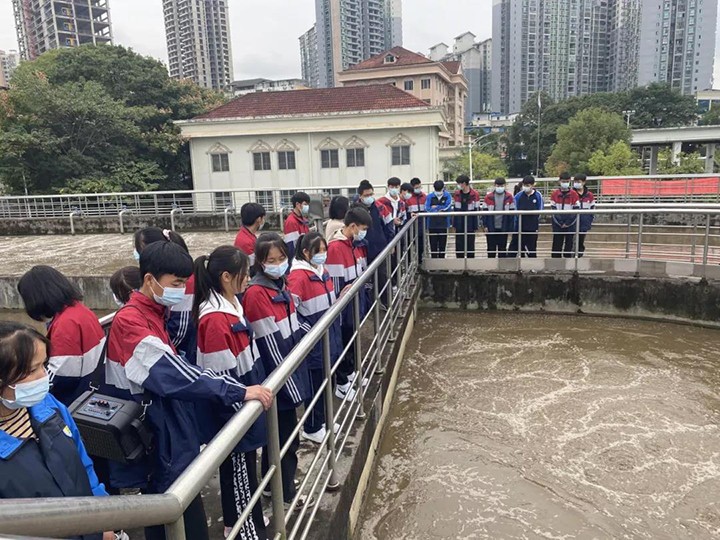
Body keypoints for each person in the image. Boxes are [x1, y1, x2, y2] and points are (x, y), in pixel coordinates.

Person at [105, 241, 270, 540]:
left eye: (184, 283)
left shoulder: (154, 314)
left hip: (168, 433)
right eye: (176, 283)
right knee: (178, 518)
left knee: (171, 513)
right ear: (149, 280)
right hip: (158, 438)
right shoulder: (131, 322)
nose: (181, 291)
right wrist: (237, 390)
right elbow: (174, 375)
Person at [0, 322, 114, 540]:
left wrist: (105, 515)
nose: (43, 376)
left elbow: (83, 462)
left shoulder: (49, 406)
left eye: (44, 365)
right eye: (31, 370)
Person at [193, 246, 272, 540]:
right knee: (238, 470)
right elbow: (219, 377)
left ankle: (243, 519)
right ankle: (242, 528)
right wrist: (238, 413)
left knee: (245, 469)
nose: (249, 278)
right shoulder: (214, 319)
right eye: (244, 274)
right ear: (226, 277)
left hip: (244, 396)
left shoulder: (231, 304)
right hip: (233, 409)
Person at [242, 233, 312, 508]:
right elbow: (270, 347)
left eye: (282, 258)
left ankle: (274, 488)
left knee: (281, 439)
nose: (278, 264)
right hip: (278, 381)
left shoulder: (280, 286)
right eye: (271, 260)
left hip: (291, 374)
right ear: (259, 262)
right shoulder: (258, 294)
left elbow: (294, 327)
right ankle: (285, 494)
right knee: (284, 441)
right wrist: (293, 390)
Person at [17, 266, 105, 407]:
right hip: (93, 385)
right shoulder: (79, 310)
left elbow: (61, 375)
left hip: (75, 397)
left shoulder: (65, 324)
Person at [287, 233, 343, 444]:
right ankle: (311, 426)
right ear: (305, 252)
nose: (323, 255)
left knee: (328, 382)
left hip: (329, 338)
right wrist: (309, 331)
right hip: (314, 343)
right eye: (318, 251)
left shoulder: (322, 271)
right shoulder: (298, 277)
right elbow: (290, 312)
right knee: (315, 387)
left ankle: (324, 420)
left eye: (324, 250)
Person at [326, 208, 372, 401]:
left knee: (353, 338)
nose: (364, 232)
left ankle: (352, 372)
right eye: (362, 228)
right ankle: (342, 382)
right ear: (352, 226)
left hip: (356, 299)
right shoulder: (336, 248)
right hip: (344, 306)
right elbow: (336, 285)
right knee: (342, 342)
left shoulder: (354, 244)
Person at [133, 227, 196, 365]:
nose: (181, 288)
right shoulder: (135, 314)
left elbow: (181, 326)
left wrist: (169, 351)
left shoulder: (180, 280)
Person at [355, 180, 392, 305]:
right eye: (366, 195)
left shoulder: (381, 207)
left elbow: (389, 225)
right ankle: (368, 305)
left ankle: (386, 302)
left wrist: (390, 243)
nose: (369, 197)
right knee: (365, 279)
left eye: (371, 194)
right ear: (360, 196)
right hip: (363, 249)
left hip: (380, 247)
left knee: (382, 276)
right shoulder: (356, 210)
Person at [511, 175, 544, 258]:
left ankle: (532, 267)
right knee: (515, 248)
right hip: (519, 227)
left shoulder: (538, 195)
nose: (526, 187)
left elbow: (540, 210)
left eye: (528, 185)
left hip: (532, 227)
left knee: (531, 249)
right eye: (524, 185)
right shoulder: (518, 196)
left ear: (533, 185)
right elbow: (514, 210)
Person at [482, 177, 516, 258]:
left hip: (504, 227)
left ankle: (501, 267)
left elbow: (512, 214)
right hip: (491, 227)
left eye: (501, 185)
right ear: (495, 185)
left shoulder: (509, 197)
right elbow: (484, 213)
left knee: (502, 249)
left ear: (505, 185)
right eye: (498, 185)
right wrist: (485, 226)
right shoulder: (488, 197)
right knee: (491, 249)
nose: (499, 187)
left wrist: (510, 228)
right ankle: (491, 267)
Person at [550, 172, 581, 258]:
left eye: (567, 181)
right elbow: (553, 210)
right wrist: (560, 222)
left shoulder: (574, 194)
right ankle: (555, 264)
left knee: (569, 244)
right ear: (559, 181)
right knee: (557, 244)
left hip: (570, 224)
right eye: (563, 181)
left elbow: (576, 211)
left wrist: (567, 223)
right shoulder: (554, 194)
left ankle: (568, 264)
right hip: (557, 224)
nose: (565, 183)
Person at [453, 175, 481, 259]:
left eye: (459, 183)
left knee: (470, 244)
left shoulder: (475, 194)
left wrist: (476, 225)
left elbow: (477, 210)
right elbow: (455, 209)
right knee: (459, 244)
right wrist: (454, 224)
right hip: (459, 223)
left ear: (464, 184)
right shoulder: (457, 194)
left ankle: (470, 262)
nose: (458, 185)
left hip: (470, 223)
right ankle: (460, 262)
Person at [424, 180, 453, 258]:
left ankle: (441, 261)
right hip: (432, 224)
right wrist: (438, 209)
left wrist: (436, 207)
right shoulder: (430, 196)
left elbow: (447, 206)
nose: (438, 192)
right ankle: (434, 262)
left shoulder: (447, 195)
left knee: (442, 245)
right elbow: (427, 208)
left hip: (443, 224)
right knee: (433, 245)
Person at [284, 192, 311, 260]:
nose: (307, 207)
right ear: (297, 204)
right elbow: (292, 246)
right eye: (305, 204)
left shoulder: (303, 220)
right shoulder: (291, 221)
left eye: (308, 205)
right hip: (298, 259)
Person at [573, 173, 595, 257]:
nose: (576, 183)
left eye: (578, 181)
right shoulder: (572, 193)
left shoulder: (589, 195)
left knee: (581, 240)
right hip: (573, 222)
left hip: (584, 222)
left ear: (584, 182)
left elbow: (592, 208)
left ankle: (579, 256)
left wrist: (589, 220)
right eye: (575, 181)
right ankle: (572, 257)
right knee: (572, 240)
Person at [407, 178, 427, 263]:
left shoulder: (424, 196)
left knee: (421, 245)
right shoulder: (408, 198)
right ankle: (409, 262)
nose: (418, 189)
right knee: (409, 245)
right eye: (416, 187)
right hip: (411, 226)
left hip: (421, 224)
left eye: (419, 187)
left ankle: (419, 261)